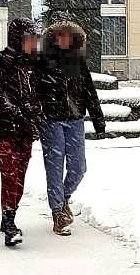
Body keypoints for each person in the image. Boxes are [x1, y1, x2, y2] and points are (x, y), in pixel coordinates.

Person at [0, 18, 43, 247]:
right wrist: (16, 112)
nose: (34, 43)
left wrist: (34, 113)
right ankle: (9, 222)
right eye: (30, 38)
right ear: (19, 39)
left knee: (20, 175)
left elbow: (37, 94)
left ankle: (9, 214)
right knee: (10, 173)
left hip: (25, 130)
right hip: (5, 128)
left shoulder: (32, 64)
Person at [36, 20, 106, 235]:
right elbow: (34, 91)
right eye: (61, 36)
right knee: (55, 168)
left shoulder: (77, 61)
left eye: (68, 36)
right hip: (51, 121)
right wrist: (38, 116)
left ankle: (64, 197)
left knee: (78, 167)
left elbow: (89, 91)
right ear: (53, 38)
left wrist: (98, 119)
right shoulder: (42, 61)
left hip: (75, 119)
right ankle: (57, 212)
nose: (64, 40)